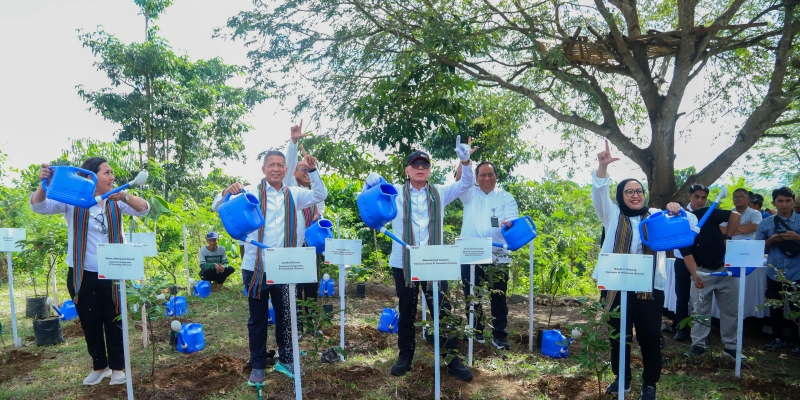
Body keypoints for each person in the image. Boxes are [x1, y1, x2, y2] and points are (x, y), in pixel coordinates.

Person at [212, 135, 327, 385]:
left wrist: (313, 170)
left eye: (280, 165)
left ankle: (286, 359)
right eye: (271, 165)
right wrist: (225, 192)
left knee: (287, 316)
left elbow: (320, 194)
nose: (275, 169)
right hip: (256, 267)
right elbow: (217, 205)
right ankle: (258, 365)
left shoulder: (295, 194)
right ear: (263, 169)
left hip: (285, 267)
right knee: (257, 319)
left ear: (286, 169)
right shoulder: (250, 191)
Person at [31, 158, 150, 386]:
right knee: (89, 320)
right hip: (82, 273)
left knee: (114, 319)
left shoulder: (116, 199)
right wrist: (44, 183)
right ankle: (99, 366)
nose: (112, 177)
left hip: (113, 272)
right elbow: (39, 206)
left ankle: (118, 368)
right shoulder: (73, 200)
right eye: (106, 173)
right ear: (91, 177)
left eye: (111, 173)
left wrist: (125, 196)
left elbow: (144, 209)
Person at [365, 137, 476, 381]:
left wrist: (466, 161)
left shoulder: (440, 193)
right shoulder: (394, 193)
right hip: (403, 262)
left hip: (434, 261)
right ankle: (405, 357)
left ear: (429, 170)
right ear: (406, 170)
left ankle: (452, 360)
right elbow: (369, 203)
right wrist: (369, 184)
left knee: (442, 310)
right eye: (415, 164)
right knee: (407, 310)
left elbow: (467, 183)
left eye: (424, 165)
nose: (420, 168)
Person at [592, 140, 688, 400]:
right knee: (618, 336)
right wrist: (603, 167)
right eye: (629, 191)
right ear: (621, 195)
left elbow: (686, 224)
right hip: (616, 286)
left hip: (649, 287)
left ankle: (650, 384)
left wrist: (676, 210)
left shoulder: (656, 215)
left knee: (650, 337)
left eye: (639, 191)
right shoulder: (612, 215)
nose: (635, 195)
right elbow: (599, 191)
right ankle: (622, 380)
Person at [455, 161, 518, 350]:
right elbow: (459, 179)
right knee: (471, 294)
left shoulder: (506, 197)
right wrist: (464, 159)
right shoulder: (469, 193)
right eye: (482, 175)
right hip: (470, 253)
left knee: (498, 296)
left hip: (497, 255)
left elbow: (513, 221)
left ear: (496, 176)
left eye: (490, 174)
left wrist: (509, 224)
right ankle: (476, 331)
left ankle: (500, 336)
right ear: (476, 178)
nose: (487, 178)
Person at [681, 185, 744, 360]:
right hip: (701, 271)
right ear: (689, 196)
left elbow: (735, 216)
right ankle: (698, 345)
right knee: (700, 311)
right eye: (697, 197)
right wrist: (696, 276)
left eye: (703, 197)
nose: (700, 200)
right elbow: (687, 255)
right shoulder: (681, 222)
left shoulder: (708, 213)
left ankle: (731, 347)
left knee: (731, 310)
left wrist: (728, 237)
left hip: (724, 269)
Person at [283, 121, 326, 330]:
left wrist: (319, 220)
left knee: (311, 284)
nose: (306, 173)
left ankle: (311, 322)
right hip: (294, 246)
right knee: (295, 286)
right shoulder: (290, 188)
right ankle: (296, 324)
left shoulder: (315, 194)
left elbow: (321, 208)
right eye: (303, 169)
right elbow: (289, 164)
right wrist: (293, 142)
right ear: (294, 173)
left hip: (312, 246)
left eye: (308, 170)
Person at [756, 186, 800, 356]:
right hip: (774, 272)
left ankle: (797, 342)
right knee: (775, 307)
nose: (784, 204)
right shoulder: (766, 223)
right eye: (780, 201)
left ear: (793, 202)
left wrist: (797, 237)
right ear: (774, 203)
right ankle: (777, 339)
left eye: (788, 201)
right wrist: (772, 240)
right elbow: (758, 249)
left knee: (797, 307)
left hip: (797, 271)